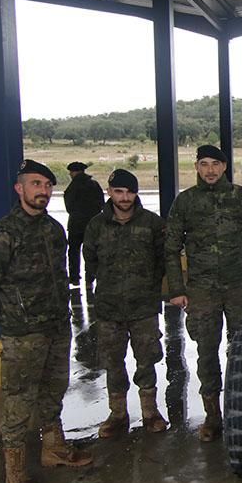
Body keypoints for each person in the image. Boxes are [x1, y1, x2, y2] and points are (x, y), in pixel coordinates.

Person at [0, 159, 93, 483]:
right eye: (36, 184)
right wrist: (9, 318)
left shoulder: (54, 230)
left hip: (56, 327)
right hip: (23, 335)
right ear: (19, 188)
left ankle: (53, 450)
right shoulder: (3, 234)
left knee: (53, 391)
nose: (43, 191)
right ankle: (16, 473)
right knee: (19, 402)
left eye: (48, 186)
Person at [165, 144, 242, 442]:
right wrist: (177, 289)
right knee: (206, 354)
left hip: (239, 287)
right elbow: (171, 248)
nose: (210, 170)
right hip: (202, 291)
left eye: (215, 164)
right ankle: (213, 417)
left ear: (224, 167)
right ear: (197, 167)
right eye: (204, 164)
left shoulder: (241, 198)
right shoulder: (185, 202)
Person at [83, 168, 169, 437]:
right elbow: (91, 261)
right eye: (119, 191)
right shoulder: (96, 225)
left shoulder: (152, 223)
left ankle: (150, 413)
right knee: (113, 363)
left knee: (147, 361)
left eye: (130, 192)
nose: (124, 197)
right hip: (109, 309)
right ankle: (117, 414)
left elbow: (163, 261)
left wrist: (150, 290)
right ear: (110, 192)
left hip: (143, 307)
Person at [63, 161, 104, 287]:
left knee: (74, 251)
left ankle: (74, 277)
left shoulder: (72, 187)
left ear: (74, 172)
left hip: (76, 225)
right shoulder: (94, 185)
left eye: (71, 172)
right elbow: (101, 203)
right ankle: (90, 278)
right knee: (91, 251)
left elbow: (68, 206)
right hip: (92, 224)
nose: (70, 174)